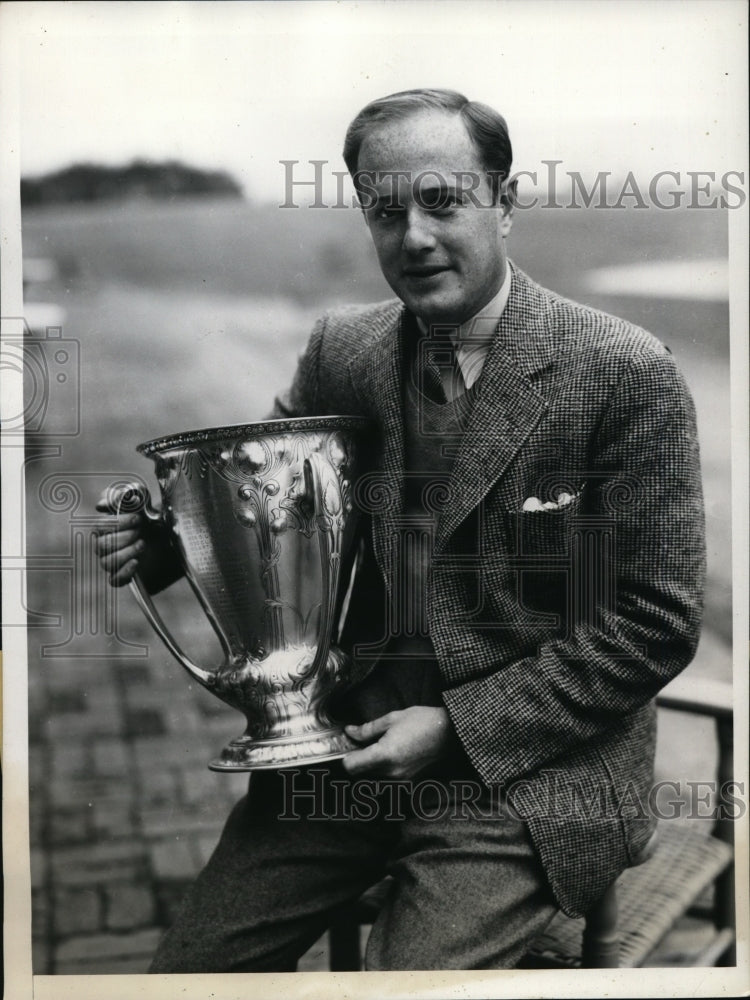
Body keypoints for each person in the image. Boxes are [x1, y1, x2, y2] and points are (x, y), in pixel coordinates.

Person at [95, 88, 705, 971]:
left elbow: (657, 619)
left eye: (443, 201)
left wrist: (456, 727)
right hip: (348, 754)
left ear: (505, 202)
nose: (413, 236)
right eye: (386, 211)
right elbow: (264, 517)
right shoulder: (343, 350)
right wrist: (171, 542)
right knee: (189, 976)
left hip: (534, 778)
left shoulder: (624, 372)